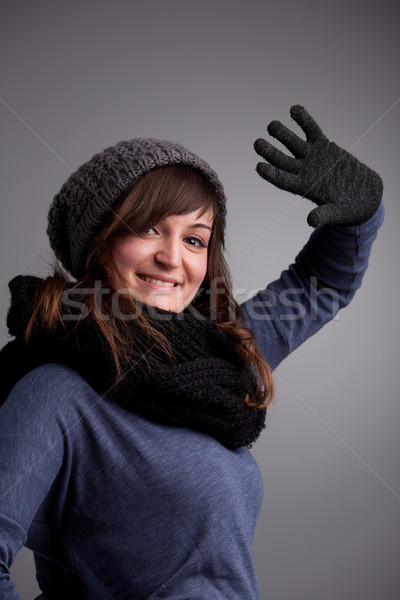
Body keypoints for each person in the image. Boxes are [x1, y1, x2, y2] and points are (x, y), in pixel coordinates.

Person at [0, 106, 384, 600]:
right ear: (96, 244)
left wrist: (363, 210)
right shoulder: (52, 392)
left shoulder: (218, 355)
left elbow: (322, 285)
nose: (173, 257)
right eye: (147, 229)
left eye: (195, 239)